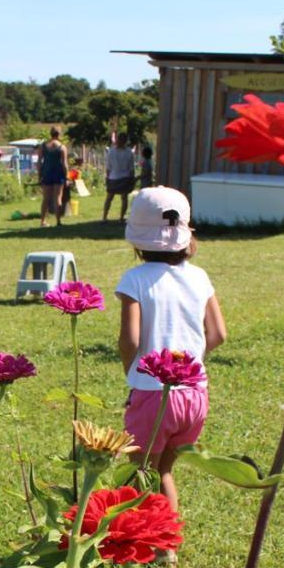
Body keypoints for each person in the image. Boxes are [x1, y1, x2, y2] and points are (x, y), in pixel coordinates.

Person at [116, 186, 227, 512]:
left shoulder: (134, 279)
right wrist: (188, 364)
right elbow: (218, 333)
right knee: (163, 470)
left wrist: (133, 376)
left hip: (152, 395)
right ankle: (168, 547)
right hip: (195, 396)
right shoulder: (199, 276)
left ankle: (139, 540)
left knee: (136, 471)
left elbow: (130, 340)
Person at [37, 127, 68, 227]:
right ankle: (58, 221)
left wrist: (39, 175)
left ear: (50, 134)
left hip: (47, 173)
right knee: (58, 198)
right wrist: (66, 177)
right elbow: (65, 164)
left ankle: (42, 221)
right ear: (59, 135)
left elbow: (39, 162)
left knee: (45, 198)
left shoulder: (43, 146)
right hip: (58, 174)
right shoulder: (62, 147)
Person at [102, 134, 136, 221]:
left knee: (110, 198)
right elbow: (131, 168)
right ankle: (119, 217)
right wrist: (132, 178)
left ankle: (105, 217)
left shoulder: (112, 151)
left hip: (115, 177)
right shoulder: (128, 152)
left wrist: (107, 177)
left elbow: (108, 167)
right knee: (123, 198)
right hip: (123, 177)